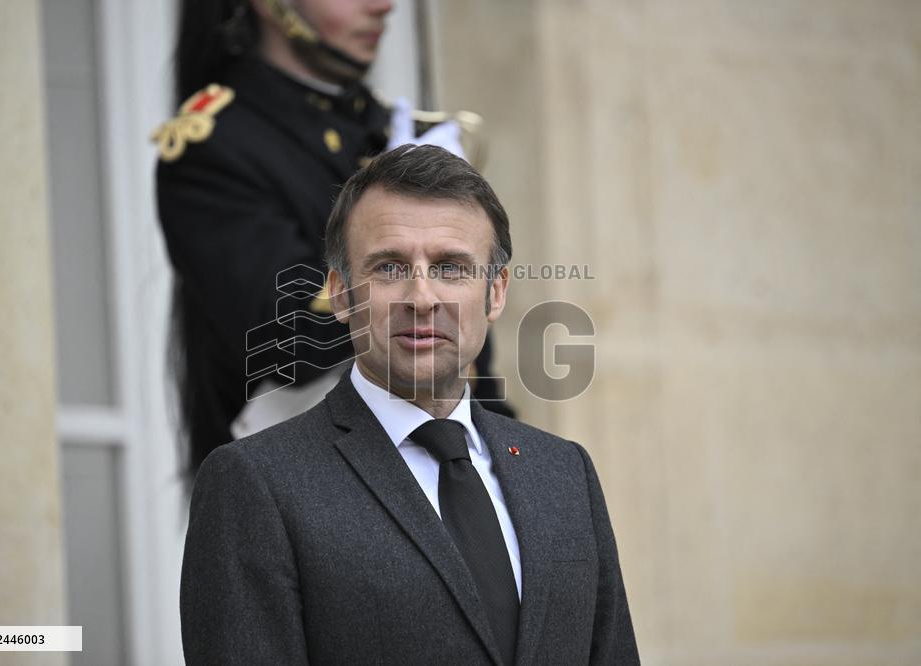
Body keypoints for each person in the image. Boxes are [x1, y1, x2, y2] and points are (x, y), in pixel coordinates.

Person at [180, 145, 639, 664]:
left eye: (450, 268)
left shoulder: (564, 472)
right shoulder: (255, 483)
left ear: (495, 293)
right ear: (341, 294)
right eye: (390, 267)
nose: (422, 298)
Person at [153, 0, 512, 481]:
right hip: (309, 488)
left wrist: (508, 469)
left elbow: (470, 358)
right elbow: (290, 342)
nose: (383, 6)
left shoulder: (382, 127)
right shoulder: (216, 145)